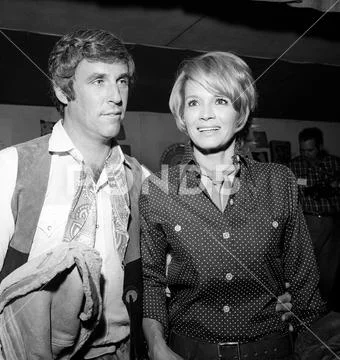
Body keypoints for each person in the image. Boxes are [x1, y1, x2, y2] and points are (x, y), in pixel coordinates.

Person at [0, 28, 149, 360]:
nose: (116, 96)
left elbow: (174, 271)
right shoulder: (10, 168)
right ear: (63, 91)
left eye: (121, 81)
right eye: (98, 81)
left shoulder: (141, 178)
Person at [139, 51, 327, 360]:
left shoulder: (278, 182)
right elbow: (152, 282)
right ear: (182, 116)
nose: (206, 114)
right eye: (194, 102)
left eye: (221, 101)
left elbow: (305, 285)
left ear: (240, 114)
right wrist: (157, 347)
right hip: (188, 351)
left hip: (272, 350)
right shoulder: (158, 190)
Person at [289, 127, 340, 307]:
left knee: (329, 267)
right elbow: (295, 185)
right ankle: (304, 302)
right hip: (310, 220)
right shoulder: (295, 165)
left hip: (332, 220)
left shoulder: (334, 163)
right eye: (303, 150)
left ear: (319, 146)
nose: (306, 154)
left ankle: (323, 303)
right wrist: (317, 184)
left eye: (310, 150)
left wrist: (332, 186)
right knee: (307, 264)